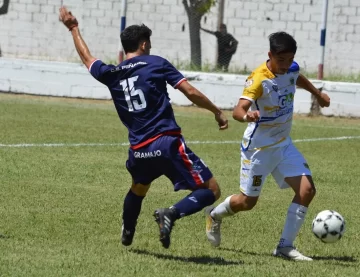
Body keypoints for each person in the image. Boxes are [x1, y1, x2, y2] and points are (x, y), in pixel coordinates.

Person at [59, 7, 228, 249]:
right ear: (145, 44)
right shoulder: (156, 63)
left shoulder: (112, 73)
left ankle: (128, 230)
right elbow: (189, 91)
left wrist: (73, 28)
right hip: (166, 143)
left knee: (139, 187)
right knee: (211, 190)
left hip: (139, 149)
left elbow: (88, 59)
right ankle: (171, 213)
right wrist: (217, 111)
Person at [205, 32, 331, 261]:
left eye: (289, 59)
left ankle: (285, 246)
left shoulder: (291, 68)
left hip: (283, 144)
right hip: (259, 150)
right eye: (280, 60)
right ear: (270, 55)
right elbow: (237, 110)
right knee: (247, 202)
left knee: (307, 190)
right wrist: (247, 116)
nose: (285, 65)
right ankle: (214, 214)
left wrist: (318, 94)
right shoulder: (258, 79)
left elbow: (297, 77)